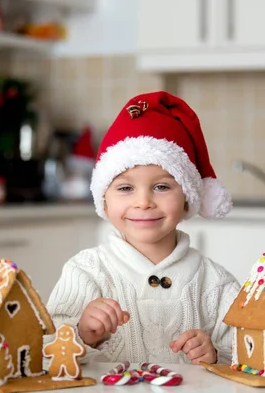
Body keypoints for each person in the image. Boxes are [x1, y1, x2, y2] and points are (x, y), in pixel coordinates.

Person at [45, 91, 241, 365]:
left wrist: (217, 355)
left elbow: (254, 352)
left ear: (187, 195)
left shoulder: (215, 283)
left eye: (161, 187)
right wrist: (82, 334)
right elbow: (41, 350)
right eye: (125, 188)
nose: (143, 202)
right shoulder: (85, 272)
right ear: (104, 198)